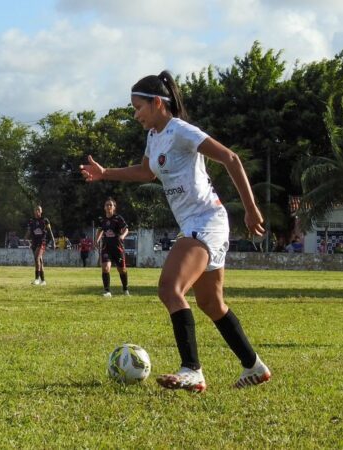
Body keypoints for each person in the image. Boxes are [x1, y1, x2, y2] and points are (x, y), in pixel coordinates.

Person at [80, 71, 271, 392]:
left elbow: (231, 158)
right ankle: (254, 366)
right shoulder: (154, 136)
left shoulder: (182, 130)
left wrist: (251, 209)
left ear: (157, 103)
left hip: (207, 221)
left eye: (138, 107)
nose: (135, 114)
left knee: (170, 288)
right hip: (195, 224)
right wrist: (105, 173)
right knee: (211, 303)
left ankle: (192, 370)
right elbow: (146, 171)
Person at [95, 197, 130, 297]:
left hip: (117, 247)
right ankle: (107, 291)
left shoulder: (118, 218)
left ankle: (125, 289)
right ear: (104, 207)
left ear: (114, 207)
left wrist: (122, 236)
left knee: (122, 269)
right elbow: (100, 230)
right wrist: (97, 240)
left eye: (111, 205)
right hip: (106, 247)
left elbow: (126, 229)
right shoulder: (102, 220)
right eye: (107, 205)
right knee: (105, 268)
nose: (109, 206)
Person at [25, 205, 54, 285]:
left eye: (39, 210)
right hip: (34, 242)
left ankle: (37, 279)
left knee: (37, 258)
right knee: (40, 261)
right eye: (36, 210)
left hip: (42, 241)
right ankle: (43, 281)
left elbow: (50, 231)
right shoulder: (31, 221)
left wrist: (53, 241)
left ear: (41, 211)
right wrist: (25, 238)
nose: (37, 211)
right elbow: (29, 231)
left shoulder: (45, 220)